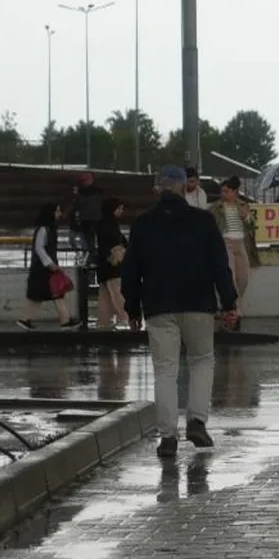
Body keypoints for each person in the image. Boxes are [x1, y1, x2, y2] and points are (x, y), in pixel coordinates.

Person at [121, 165, 238, 458]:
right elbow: (219, 265)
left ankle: (168, 437)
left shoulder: (143, 223)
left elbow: (131, 271)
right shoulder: (203, 220)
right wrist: (229, 303)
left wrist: (132, 309)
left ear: (158, 188)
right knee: (201, 361)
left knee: (164, 370)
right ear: (185, 187)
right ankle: (197, 421)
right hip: (199, 302)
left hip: (159, 305)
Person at [15, 202, 80, 330]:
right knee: (44, 295)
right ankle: (63, 320)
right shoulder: (44, 229)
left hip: (45, 268)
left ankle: (64, 320)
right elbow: (39, 248)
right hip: (42, 269)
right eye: (57, 211)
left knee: (49, 294)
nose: (59, 214)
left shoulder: (49, 229)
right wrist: (50, 264)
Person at [208, 175, 255, 320]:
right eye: (222, 191)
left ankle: (232, 304)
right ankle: (233, 309)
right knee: (231, 276)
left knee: (244, 277)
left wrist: (246, 217)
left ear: (234, 192)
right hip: (225, 242)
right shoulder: (215, 207)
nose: (224, 194)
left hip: (241, 242)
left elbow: (253, 225)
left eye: (227, 191)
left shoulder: (243, 205)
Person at [95, 197, 129, 329]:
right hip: (112, 265)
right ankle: (126, 319)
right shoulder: (108, 225)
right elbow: (114, 243)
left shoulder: (106, 223)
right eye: (119, 208)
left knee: (106, 297)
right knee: (117, 293)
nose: (121, 211)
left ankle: (103, 322)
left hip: (105, 265)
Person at [74, 172, 104, 255]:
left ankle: (91, 256)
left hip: (89, 220)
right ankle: (92, 256)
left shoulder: (81, 192)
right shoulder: (98, 192)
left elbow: (78, 204)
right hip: (92, 219)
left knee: (89, 241)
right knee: (90, 241)